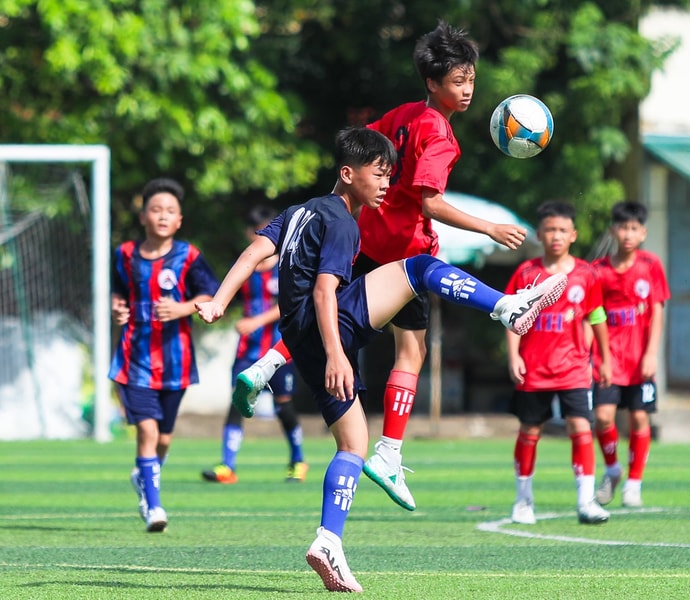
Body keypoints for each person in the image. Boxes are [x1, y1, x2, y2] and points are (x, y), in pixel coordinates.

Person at [196, 127, 565, 593]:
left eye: (391, 174)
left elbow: (254, 252)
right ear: (348, 174)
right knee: (418, 269)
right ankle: (506, 306)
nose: (388, 184)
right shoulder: (341, 221)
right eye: (380, 174)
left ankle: (328, 540)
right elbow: (325, 290)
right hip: (325, 329)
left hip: (297, 337)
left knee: (352, 445)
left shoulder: (295, 212)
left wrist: (218, 301)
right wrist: (337, 354)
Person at [230, 21, 528, 512]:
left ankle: (266, 364)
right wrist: (489, 228)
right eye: (458, 81)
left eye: (471, 79)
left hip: (365, 238)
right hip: (405, 250)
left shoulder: (404, 115)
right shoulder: (441, 135)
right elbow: (429, 202)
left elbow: (365, 149)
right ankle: (389, 450)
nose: (468, 89)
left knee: (336, 316)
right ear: (433, 83)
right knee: (410, 351)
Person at [109, 177, 219, 533]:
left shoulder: (190, 256)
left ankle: (144, 476)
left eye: (169, 211)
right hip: (134, 360)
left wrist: (183, 308)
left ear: (179, 220)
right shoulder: (124, 255)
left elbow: (211, 294)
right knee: (147, 431)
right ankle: (153, 506)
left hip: (175, 362)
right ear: (143, 217)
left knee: (165, 438)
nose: (162, 215)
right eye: (155, 209)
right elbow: (118, 292)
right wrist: (117, 308)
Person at [505, 201, 613, 526]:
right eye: (550, 229)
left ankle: (586, 502)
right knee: (529, 431)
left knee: (581, 428)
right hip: (534, 368)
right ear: (539, 234)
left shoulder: (586, 274)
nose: (556, 236)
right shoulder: (526, 273)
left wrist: (604, 359)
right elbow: (510, 316)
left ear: (573, 235)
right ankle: (523, 501)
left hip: (574, 369)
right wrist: (514, 355)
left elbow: (596, 316)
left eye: (563, 230)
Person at [201, 206, 307, 485]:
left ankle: (298, 461)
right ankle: (228, 465)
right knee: (237, 401)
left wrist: (257, 322)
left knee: (283, 406)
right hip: (246, 349)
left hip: (278, 350)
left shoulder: (285, 267)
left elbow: (287, 305)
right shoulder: (245, 267)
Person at [590, 200, 670, 509]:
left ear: (643, 233)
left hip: (640, 361)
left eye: (634, 228)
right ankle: (612, 469)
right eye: (622, 227)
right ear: (613, 231)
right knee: (603, 416)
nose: (627, 234)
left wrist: (652, 354)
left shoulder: (650, 266)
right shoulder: (599, 271)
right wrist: (595, 357)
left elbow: (658, 311)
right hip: (609, 360)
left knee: (639, 416)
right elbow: (592, 315)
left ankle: (634, 483)